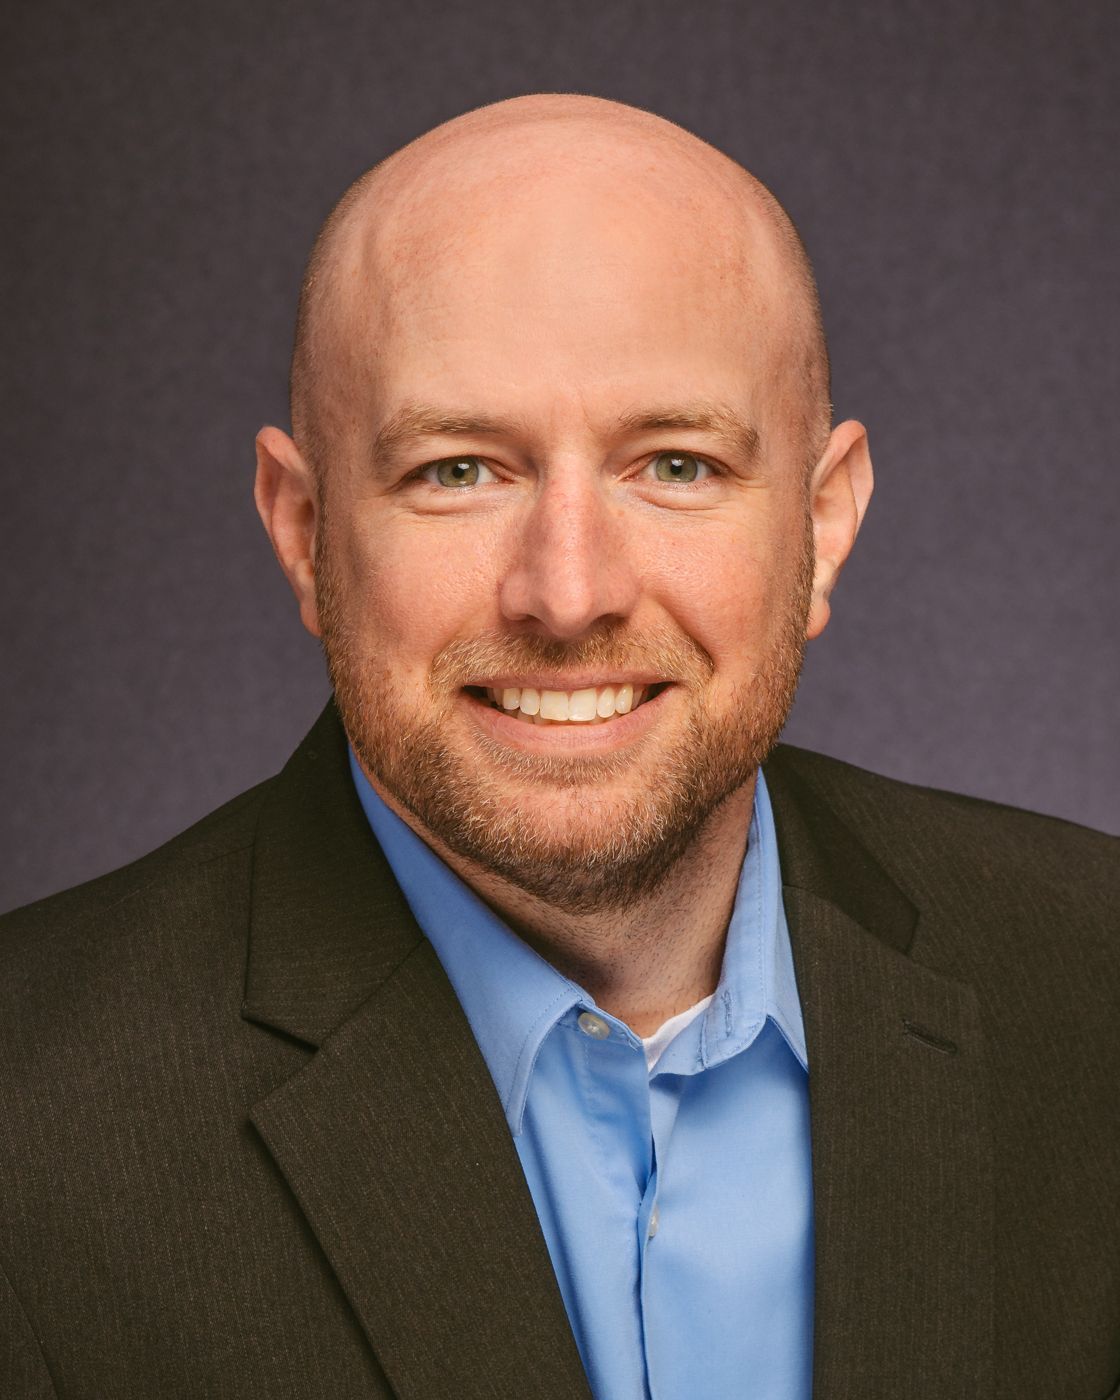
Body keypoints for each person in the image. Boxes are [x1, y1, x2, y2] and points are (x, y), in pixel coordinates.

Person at [0, 92, 1116, 1400]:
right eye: (460, 470)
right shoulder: (36, 1123)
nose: (569, 590)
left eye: (678, 464)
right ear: (305, 532)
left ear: (824, 520)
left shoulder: (1095, 993)